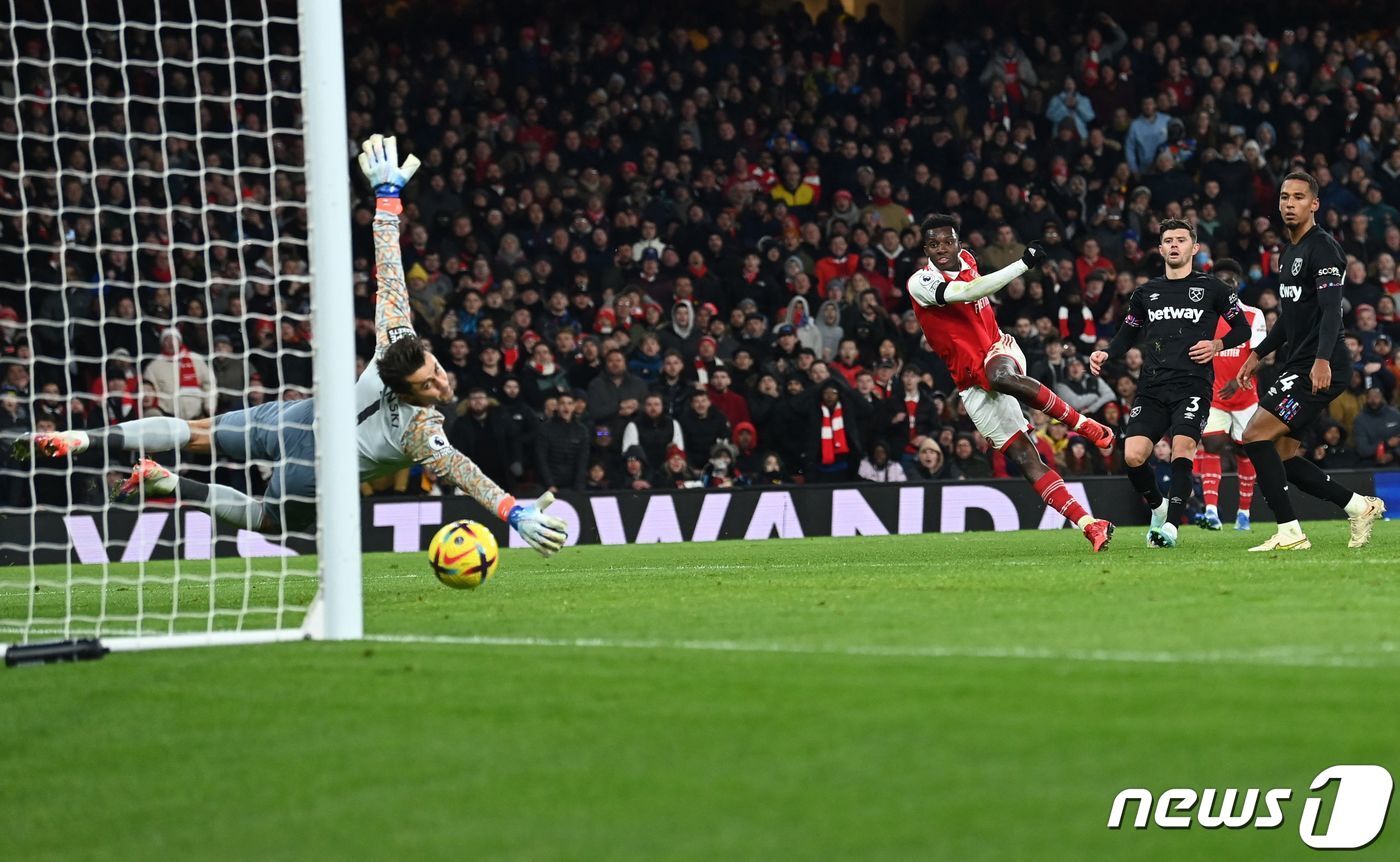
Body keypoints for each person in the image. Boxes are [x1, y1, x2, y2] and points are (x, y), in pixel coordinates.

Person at [13, 134, 566, 555]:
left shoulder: (397, 336)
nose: (441, 381)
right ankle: (158, 478)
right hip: (315, 470)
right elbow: (465, 473)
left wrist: (388, 197)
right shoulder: (422, 431)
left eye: (437, 372)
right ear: (405, 387)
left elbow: (388, 265)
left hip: (300, 419)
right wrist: (513, 512)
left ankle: (90, 441)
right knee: (263, 521)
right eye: (429, 383)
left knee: (201, 433)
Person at [907, 214, 1114, 551]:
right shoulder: (921, 282)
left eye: (948, 241)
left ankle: (1085, 424)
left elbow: (979, 292)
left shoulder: (968, 259)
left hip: (997, 348)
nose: (942, 249)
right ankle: (1090, 525)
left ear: (958, 242)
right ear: (925, 248)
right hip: (969, 381)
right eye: (934, 244)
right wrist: (1022, 264)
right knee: (1024, 458)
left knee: (1001, 376)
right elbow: (972, 290)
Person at [1234, 171, 1387, 551]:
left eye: (1298, 197)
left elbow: (1332, 310)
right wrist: (1258, 352)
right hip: (1297, 363)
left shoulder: (1324, 248)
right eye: (1285, 197)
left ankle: (1289, 532)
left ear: (1314, 204)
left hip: (1319, 366)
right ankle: (1359, 507)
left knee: (1253, 436)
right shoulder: (1289, 253)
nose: (1289, 203)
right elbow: (1290, 316)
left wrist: (1322, 360)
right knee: (1283, 457)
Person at [1090, 218, 1251, 548]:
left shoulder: (1213, 288)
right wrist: (1106, 353)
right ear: (1161, 248)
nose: (1175, 245)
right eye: (1168, 240)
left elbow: (1242, 330)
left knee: (1183, 450)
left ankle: (1171, 529)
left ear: (1194, 248)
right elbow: (1127, 335)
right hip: (1152, 386)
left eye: (1181, 239)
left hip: (1192, 385)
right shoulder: (1146, 293)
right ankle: (1159, 506)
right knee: (1133, 456)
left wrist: (1218, 345)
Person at [1193, 258, 1266, 531]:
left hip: (1245, 396)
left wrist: (1241, 378)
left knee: (1245, 451)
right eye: (1221, 279)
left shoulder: (1253, 315)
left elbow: (1261, 355)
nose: (1227, 283)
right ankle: (1211, 510)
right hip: (1213, 396)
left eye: (1231, 279)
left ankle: (1243, 514)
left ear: (1239, 283)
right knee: (1212, 445)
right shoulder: (1204, 317)